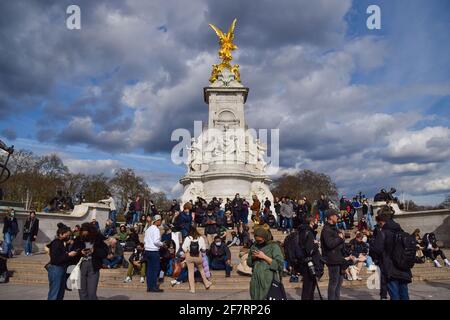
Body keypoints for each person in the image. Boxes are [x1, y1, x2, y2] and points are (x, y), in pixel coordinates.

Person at [371, 211, 412, 300]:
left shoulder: (383, 232)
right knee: (404, 293)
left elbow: (377, 249)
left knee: (394, 294)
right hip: (404, 267)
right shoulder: (402, 231)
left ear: (381, 222)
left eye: (379, 224)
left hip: (390, 268)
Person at [72, 222, 109, 300]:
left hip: (93, 266)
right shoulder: (78, 240)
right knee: (82, 292)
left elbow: (105, 253)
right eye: (83, 234)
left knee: (92, 293)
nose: (85, 236)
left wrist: (94, 251)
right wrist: (80, 252)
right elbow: (73, 252)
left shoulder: (98, 239)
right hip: (81, 266)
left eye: (87, 234)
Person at [247, 227, 284, 300]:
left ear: (265, 237)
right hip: (256, 281)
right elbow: (249, 263)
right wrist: (253, 258)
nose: (258, 242)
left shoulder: (273, 246)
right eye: (256, 240)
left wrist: (264, 257)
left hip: (268, 280)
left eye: (260, 240)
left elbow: (279, 265)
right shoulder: (254, 246)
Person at [320, 208, 346, 300]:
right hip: (332, 259)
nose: (337, 217)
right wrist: (339, 238)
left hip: (338, 258)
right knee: (334, 282)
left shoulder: (334, 228)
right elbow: (330, 244)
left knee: (339, 282)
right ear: (330, 217)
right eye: (336, 216)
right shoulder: (326, 230)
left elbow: (339, 241)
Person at [46, 223, 77, 300]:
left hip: (62, 269)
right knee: (54, 293)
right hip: (56, 269)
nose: (68, 237)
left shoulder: (61, 243)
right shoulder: (56, 243)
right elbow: (55, 259)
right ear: (61, 234)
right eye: (67, 235)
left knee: (60, 292)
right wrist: (68, 255)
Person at [297, 217, 323, 300]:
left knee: (309, 287)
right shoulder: (308, 233)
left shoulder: (303, 231)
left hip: (306, 262)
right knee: (309, 288)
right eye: (315, 221)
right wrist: (316, 245)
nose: (316, 223)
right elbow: (310, 250)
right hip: (310, 263)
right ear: (311, 223)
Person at [182, 225, 212, 293]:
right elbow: (204, 249)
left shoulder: (188, 238)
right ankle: (206, 283)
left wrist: (187, 252)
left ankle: (192, 289)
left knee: (190, 272)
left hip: (189, 256)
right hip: (198, 256)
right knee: (201, 269)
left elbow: (184, 248)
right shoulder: (200, 238)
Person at [144, 214, 165, 292]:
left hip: (147, 250)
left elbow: (145, 240)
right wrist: (162, 244)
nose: (161, 222)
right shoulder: (156, 229)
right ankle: (153, 287)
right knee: (155, 270)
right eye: (160, 220)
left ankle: (149, 287)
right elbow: (156, 241)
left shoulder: (148, 229)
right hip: (153, 251)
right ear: (157, 221)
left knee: (149, 270)